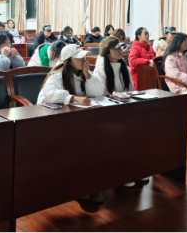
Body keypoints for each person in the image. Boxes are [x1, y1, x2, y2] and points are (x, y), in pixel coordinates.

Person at [37, 43, 105, 204]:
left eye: (84, 57)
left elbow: (98, 92)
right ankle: (81, 186)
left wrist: (88, 75)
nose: (84, 60)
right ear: (69, 61)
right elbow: (50, 95)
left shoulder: (83, 73)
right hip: (52, 120)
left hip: (75, 119)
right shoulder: (57, 75)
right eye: (79, 58)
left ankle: (90, 183)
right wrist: (73, 98)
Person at [94, 36, 147, 187]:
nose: (120, 50)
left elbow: (131, 90)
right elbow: (102, 95)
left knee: (142, 128)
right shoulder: (100, 70)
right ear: (107, 51)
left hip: (124, 107)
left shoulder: (125, 67)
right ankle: (123, 172)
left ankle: (136, 169)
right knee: (123, 131)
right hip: (109, 111)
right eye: (116, 48)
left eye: (121, 47)